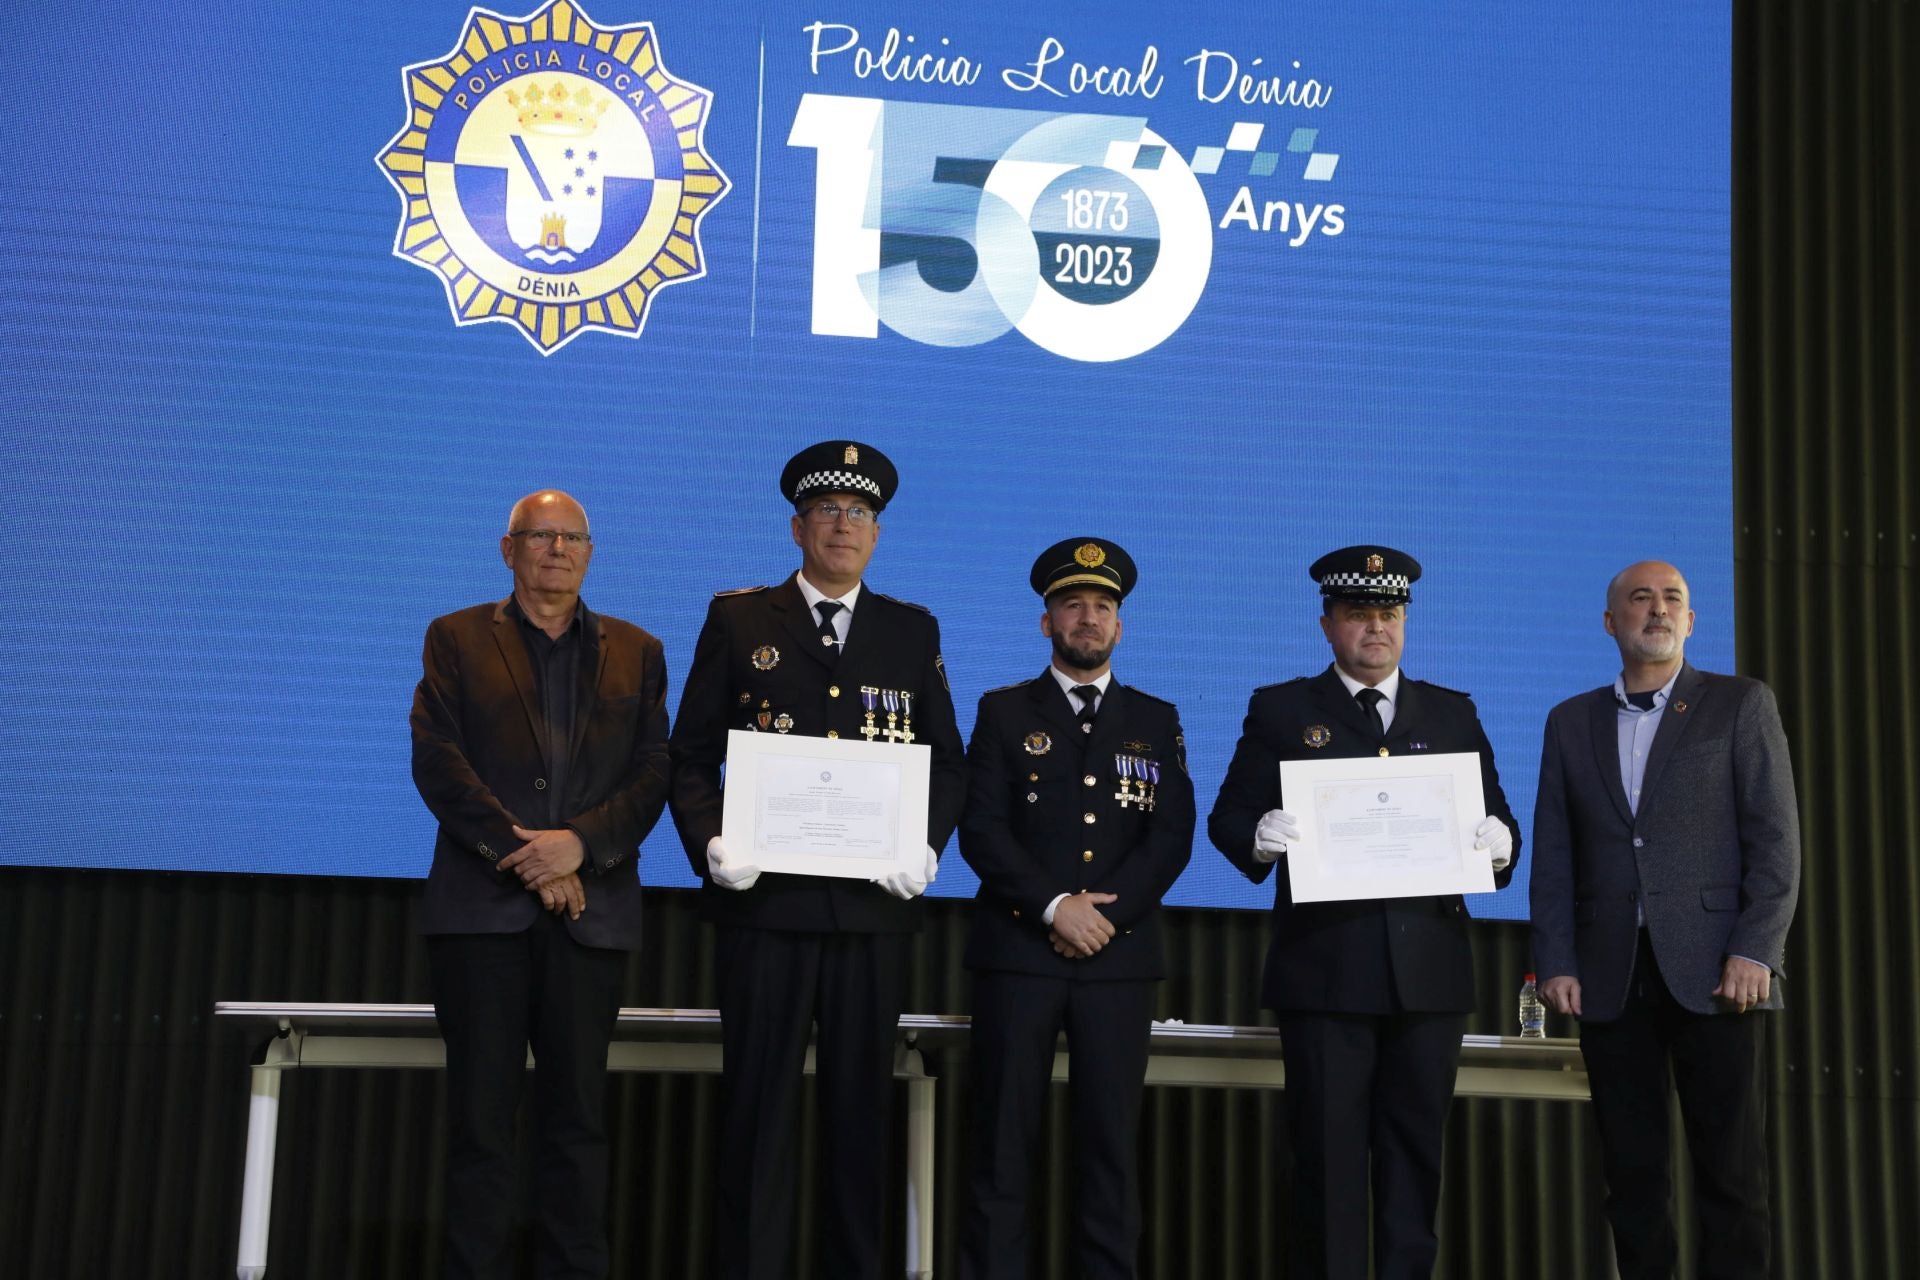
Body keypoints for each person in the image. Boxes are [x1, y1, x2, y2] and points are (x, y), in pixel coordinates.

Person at [667, 440, 967, 1280]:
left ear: (877, 536)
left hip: (870, 915)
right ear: (798, 527)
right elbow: (688, 758)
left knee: (859, 1120)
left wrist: (926, 845)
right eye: (829, 511)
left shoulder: (911, 631)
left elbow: (948, 761)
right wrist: (709, 843)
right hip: (763, 910)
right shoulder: (739, 619)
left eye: (860, 514)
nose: (844, 525)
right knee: (755, 1117)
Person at [1208, 545, 1518, 1280]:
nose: (1375, 629)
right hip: (1324, 974)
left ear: (1404, 622)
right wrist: (1259, 836)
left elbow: (1498, 819)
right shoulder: (1282, 709)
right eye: (1358, 615)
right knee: (1326, 1162)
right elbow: (1228, 818)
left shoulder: (1452, 712)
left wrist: (1501, 844)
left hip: (1429, 977)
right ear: (1327, 625)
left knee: (1417, 1160)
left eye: (1389, 614)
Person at [409, 490, 672, 1279]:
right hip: (481, 918)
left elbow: (655, 771)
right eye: (540, 536)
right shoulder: (454, 637)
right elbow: (438, 760)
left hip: (592, 917)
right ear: (507, 548)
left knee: (578, 1122)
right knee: (481, 1124)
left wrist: (579, 848)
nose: (556, 549)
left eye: (573, 537)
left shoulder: (638, 648)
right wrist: (525, 856)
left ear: (590, 552)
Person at [1530, 561, 1800, 1280]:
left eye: (1672, 599)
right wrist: (1556, 959)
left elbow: (1776, 841)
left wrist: (1757, 949)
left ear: (1691, 622)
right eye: (1639, 598)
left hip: (1719, 972)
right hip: (1609, 975)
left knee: (1733, 1176)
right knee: (1633, 1177)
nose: (1657, 610)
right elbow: (1554, 855)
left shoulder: (1741, 704)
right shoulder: (1568, 720)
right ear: (1610, 621)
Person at [956, 538, 1195, 1280]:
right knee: (999, 1145)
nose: (1087, 618)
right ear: (1046, 622)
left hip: (1117, 965)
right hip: (1019, 954)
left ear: (1120, 625)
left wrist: (1104, 919)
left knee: (1111, 1150)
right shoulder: (1002, 711)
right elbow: (981, 829)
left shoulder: (1156, 719)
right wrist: (1057, 906)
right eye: (1072, 605)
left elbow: (1171, 837)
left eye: (1102, 606)